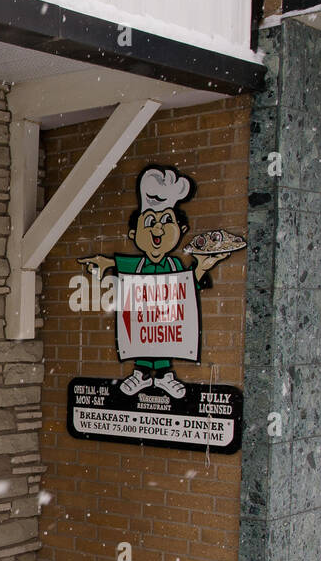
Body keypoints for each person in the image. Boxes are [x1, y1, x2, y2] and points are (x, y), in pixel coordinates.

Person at [79, 166, 233, 398]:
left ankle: (163, 375)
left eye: (165, 221)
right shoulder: (135, 266)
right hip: (143, 321)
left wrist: (202, 266)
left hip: (167, 321)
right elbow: (114, 264)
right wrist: (102, 263)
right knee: (144, 335)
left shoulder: (175, 266)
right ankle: (141, 373)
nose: (158, 228)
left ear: (180, 230)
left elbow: (189, 286)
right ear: (133, 234)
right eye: (149, 222)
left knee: (162, 336)